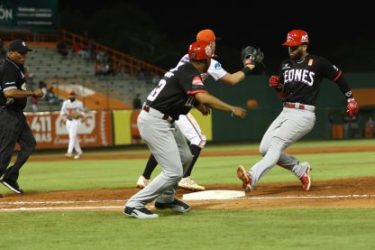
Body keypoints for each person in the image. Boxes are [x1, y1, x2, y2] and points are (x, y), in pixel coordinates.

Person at [124, 40, 247, 219]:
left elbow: (182, 93)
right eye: (209, 60)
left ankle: (166, 199)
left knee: (186, 156)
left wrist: (198, 105)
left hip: (165, 120)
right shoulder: (189, 71)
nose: (210, 63)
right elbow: (204, 97)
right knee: (173, 172)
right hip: (155, 121)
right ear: (205, 61)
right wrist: (231, 108)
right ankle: (134, 204)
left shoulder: (186, 69)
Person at [236, 29, 359, 193]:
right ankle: (300, 170)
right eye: (289, 46)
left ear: (305, 45)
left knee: (276, 144)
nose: (291, 49)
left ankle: (251, 177)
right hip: (286, 111)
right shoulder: (285, 65)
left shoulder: (318, 62)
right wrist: (278, 87)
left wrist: (350, 98)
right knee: (264, 149)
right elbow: (283, 95)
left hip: (304, 115)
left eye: (294, 46)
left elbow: (339, 77)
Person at [136, 28, 256, 191]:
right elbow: (232, 80)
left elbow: (186, 87)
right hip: (174, 106)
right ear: (211, 44)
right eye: (214, 42)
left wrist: (198, 105)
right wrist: (249, 67)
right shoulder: (209, 62)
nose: (215, 45)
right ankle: (184, 178)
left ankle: (145, 177)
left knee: (169, 142)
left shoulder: (188, 58)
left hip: (175, 103)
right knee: (198, 138)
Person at [0, 39, 44, 194]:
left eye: (25, 52)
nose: (24, 55)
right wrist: (32, 93)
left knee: (29, 144)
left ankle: (10, 177)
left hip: (16, 114)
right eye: (21, 52)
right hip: (7, 114)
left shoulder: (17, 67)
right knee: (5, 152)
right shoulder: (8, 67)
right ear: (11, 53)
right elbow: (9, 92)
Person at [60, 91, 85, 160]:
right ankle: (79, 152)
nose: (71, 96)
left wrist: (81, 115)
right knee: (74, 138)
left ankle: (69, 152)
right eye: (70, 95)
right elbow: (62, 112)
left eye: (73, 95)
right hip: (68, 121)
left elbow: (82, 112)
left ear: (75, 96)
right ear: (68, 96)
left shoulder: (79, 103)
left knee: (72, 136)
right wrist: (63, 119)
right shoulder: (65, 103)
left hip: (76, 121)